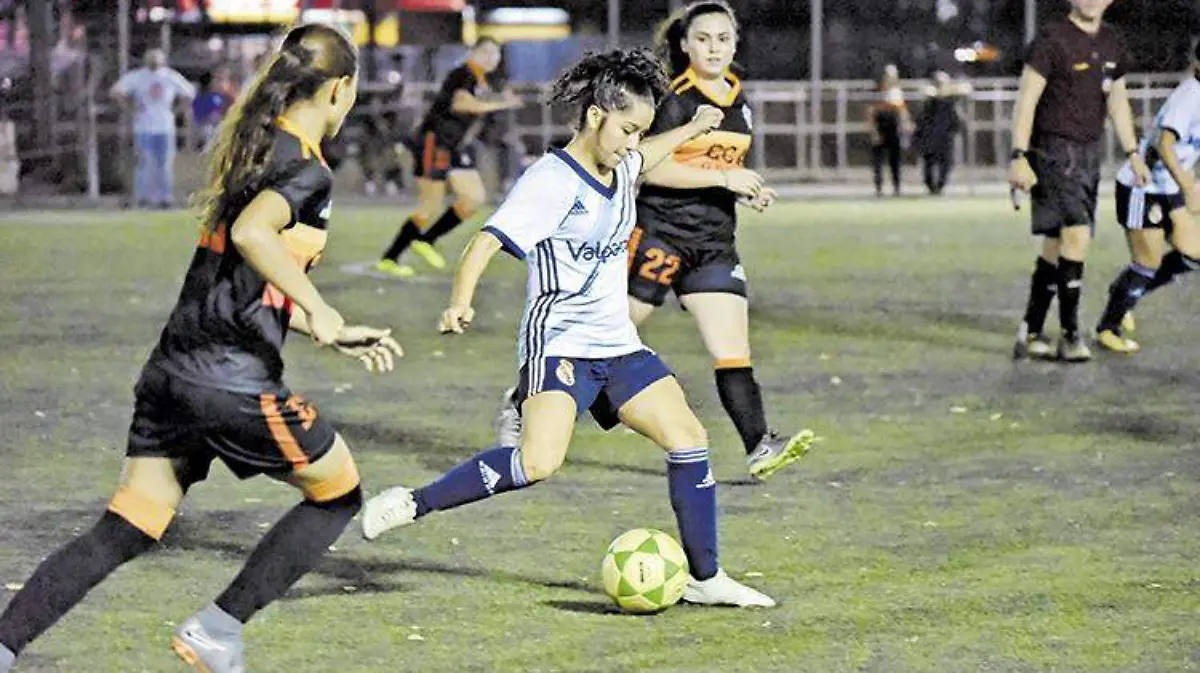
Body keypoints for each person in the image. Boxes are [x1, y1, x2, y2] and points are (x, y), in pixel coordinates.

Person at [0, 24, 402, 673]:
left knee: (128, 524)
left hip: (172, 372)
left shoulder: (256, 149)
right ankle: (218, 629)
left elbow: (247, 280)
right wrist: (322, 310)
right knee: (338, 491)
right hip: (230, 381)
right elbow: (252, 235)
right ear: (340, 89)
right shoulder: (305, 170)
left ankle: (3, 643)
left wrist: (326, 323)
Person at [361, 48, 776, 608]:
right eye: (627, 129)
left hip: (618, 346)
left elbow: (647, 156)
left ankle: (706, 577)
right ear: (597, 114)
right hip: (558, 345)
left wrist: (693, 128)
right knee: (537, 463)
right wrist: (460, 302)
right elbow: (485, 241)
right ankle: (414, 502)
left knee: (689, 439)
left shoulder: (623, 162)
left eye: (640, 131)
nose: (632, 142)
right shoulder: (550, 181)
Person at [623, 0, 814, 480]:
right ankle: (524, 401)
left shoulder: (739, 99)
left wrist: (745, 189)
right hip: (660, 234)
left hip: (713, 243)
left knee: (732, 349)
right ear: (685, 44)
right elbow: (649, 167)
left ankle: (759, 447)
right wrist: (725, 180)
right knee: (605, 335)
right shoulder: (674, 98)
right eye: (704, 39)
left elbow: (720, 166)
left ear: (735, 44)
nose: (714, 48)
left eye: (723, 39)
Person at [1009, 0, 1149, 362]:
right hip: (1053, 151)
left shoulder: (1112, 41)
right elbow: (1027, 100)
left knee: (1056, 243)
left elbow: (1117, 101)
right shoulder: (1052, 39)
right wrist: (1018, 155)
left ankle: (1031, 331)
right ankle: (1070, 336)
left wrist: (1133, 152)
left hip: (1088, 153)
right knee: (1077, 233)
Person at [376, 38, 522, 278]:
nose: (491, 58)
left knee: (473, 198)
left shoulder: (482, 80)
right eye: (486, 52)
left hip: (454, 147)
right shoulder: (463, 73)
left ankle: (427, 240)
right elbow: (462, 104)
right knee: (430, 206)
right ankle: (390, 258)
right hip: (434, 143)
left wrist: (500, 97)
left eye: (495, 54)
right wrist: (500, 103)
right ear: (473, 53)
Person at [1094, 46, 1200, 353]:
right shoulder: (1191, 96)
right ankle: (1108, 327)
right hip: (1144, 186)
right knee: (1147, 263)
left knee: (1193, 254)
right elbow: (1164, 144)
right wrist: (1188, 186)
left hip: (1167, 187)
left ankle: (1126, 292)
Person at [110, 48, 196, 209]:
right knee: (144, 163)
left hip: (165, 127)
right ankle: (143, 198)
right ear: (145, 60)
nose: (154, 61)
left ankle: (164, 198)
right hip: (143, 127)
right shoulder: (138, 76)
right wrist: (130, 108)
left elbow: (189, 92)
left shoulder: (169, 76)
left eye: (157, 58)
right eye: (151, 58)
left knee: (165, 163)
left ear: (162, 60)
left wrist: (176, 111)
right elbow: (116, 91)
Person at [914, 70, 967, 195]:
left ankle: (940, 186)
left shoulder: (951, 97)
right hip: (930, 133)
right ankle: (931, 187)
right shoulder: (930, 96)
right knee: (929, 161)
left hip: (946, 133)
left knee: (946, 161)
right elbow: (925, 95)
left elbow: (965, 89)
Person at [869, 63, 912, 197]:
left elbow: (902, 111)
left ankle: (896, 187)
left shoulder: (897, 92)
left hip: (894, 127)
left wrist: (906, 123)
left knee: (895, 160)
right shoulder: (877, 92)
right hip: (881, 125)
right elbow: (871, 112)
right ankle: (879, 188)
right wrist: (874, 131)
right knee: (878, 161)